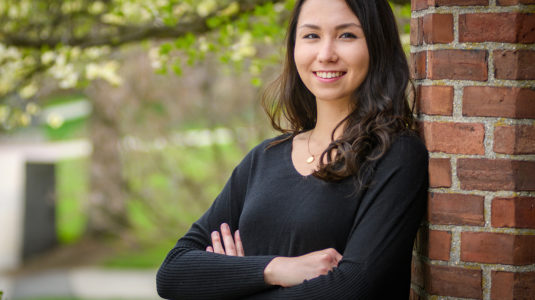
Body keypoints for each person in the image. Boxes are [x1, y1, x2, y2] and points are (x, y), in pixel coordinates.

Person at [156, 0, 428, 298]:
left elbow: (351, 288)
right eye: (311, 36)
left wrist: (228, 283)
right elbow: (173, 271)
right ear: (294, 48)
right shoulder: (265, 158)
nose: (325, 54)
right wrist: (274, 269)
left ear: (378, 44)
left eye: (347, 35)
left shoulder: (395, 154)